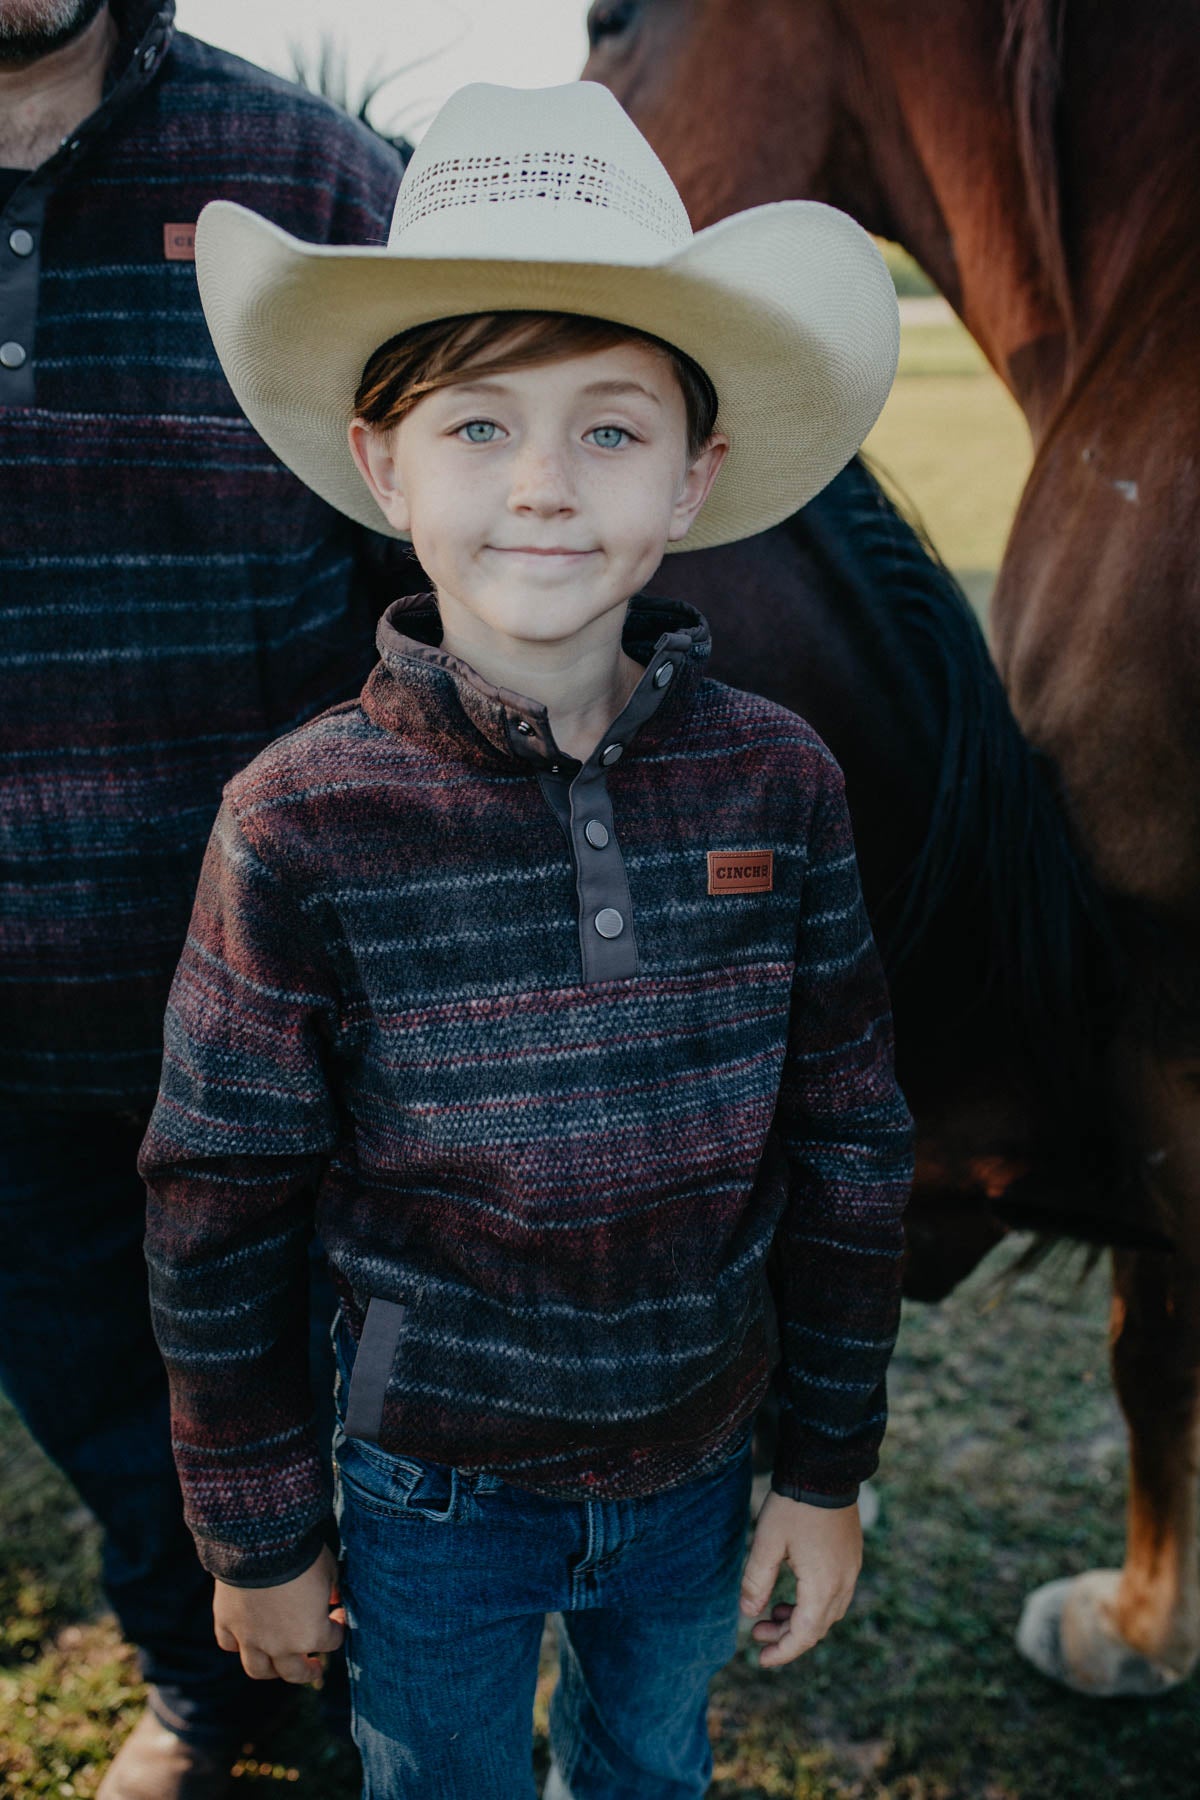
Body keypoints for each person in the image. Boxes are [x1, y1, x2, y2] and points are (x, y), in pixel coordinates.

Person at [138, 79, 913, 1800]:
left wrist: (826, 1469)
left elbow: (852, 1143)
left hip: (703, 1458)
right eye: (477, 427)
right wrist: (261, 1532)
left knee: (650, 1763)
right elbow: (218, 1201)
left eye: (611, 430)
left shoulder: (780, 784)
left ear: (698, 477)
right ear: (379, 462)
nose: (546, 487)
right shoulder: (298, 822)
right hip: (430, 1484)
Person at [0, 2, 410, 1793]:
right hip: (4, 1035)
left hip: (286, 1004)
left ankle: (387, 1711)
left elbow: (454, 549)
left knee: (343, 1401)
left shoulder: (316, 185)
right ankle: (197, 1687)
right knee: (92, 1389)